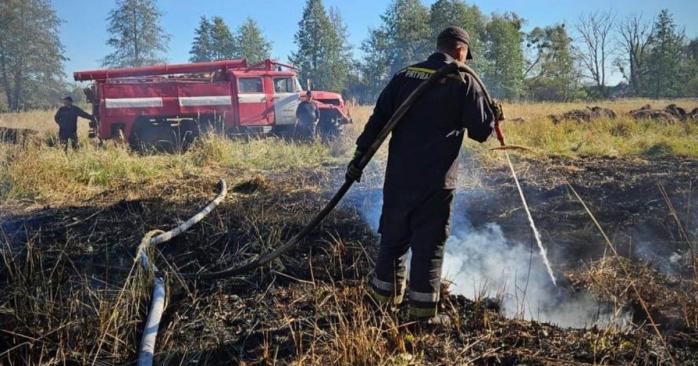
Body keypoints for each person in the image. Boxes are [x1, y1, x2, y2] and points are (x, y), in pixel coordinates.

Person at [346, 26, 503, 323]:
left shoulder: (405, 76)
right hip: (436, 183)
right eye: (467, 54)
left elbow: (378, 121)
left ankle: (382, 306)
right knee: (429, 247)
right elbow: (481, 133)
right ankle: (421, 316)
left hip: (398, 180)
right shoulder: (463, 81)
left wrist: (358, 158)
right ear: (460, 50)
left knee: (393, 239)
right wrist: (493, 114)